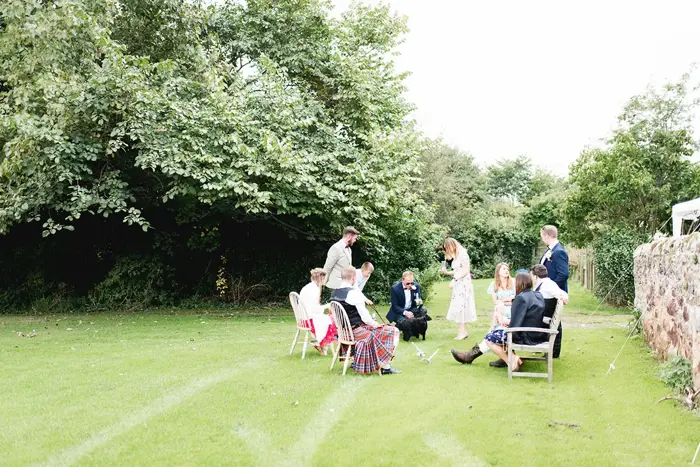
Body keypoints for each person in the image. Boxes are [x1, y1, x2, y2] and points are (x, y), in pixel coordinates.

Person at [451, 272, 547, 371]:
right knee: (497, 331)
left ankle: (512, 361)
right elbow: (526, 316)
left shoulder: (521, 298)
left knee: (490, 338)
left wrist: (504, 323)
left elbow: (515, 325)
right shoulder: (538, 295)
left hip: (525, 336)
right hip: (537, 334)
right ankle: (470, 356)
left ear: (519, 283)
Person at [331, 266, 401, 375]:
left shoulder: (334, 293)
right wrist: (376, 324)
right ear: (354, 278)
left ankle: (360, 361)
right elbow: (365, 318)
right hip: (356, 332)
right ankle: (385, 366)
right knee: (393, 331)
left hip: (342, 333)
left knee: (376, 329)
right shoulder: (353, 293)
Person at [441, 237, 477, 340]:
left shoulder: (462, 253)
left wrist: (454, 281)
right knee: (459, 307)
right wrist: (447, 272)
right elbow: (458, 269)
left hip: (463, 284)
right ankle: (462, 331)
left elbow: (465, 270)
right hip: (459, 283)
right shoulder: (457, 254)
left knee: (461, 307)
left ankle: (462, 332)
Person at [530, 264, 567, 358]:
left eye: (531, 276)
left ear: (536, 276)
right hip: (542, 317)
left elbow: (561, 293)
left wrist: (564, 297)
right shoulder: (543, 284)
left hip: (544, 321)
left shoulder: (547, 285)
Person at [299, 268, 338, 356]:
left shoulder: (309, 287)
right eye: (325, 278)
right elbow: (315, 309)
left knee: (328, 318)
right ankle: (320, 344)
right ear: (321, 278)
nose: (326, 280)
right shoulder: (314, 290)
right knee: (332, 320)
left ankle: (321, 344)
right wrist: (327, 306)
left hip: (303, 318)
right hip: (309, 319)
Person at [386, 271, 431, 340]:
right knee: (404, 323)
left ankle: (418, 329)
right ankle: (399, 327)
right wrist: (406, 313)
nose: (410, 284)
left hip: (411, 308)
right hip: (399, 311)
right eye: (408, 283)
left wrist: (419, 302)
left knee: (423, 310)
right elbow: (395, 306)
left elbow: (418, 302)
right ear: (402, 280)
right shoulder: (395, 288)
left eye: (411, 282)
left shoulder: (416, 286)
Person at [323, 227, 360, 292]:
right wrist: (322, 283)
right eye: (355, 238)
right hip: (334, 286)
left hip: (344, 286)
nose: (355, 240)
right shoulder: (336, 248)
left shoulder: (349, 249)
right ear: (349, 236)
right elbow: (327, 267)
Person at [539, 225, 569, 292]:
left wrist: (551, 289)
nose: (542, 239)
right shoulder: (550, 250)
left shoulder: (559, 251)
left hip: (554, 294)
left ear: (547, 236)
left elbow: (563, 274)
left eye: (542, 237)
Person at [487, 263, 516, 331]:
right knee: (498, 309)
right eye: (504, 269)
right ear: (498, 272)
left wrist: (505, 302)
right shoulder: (494, 284)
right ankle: (497, 331)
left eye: (507, 269)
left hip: (512, 307)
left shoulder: (513, 282)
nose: (506, 271)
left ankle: (492, 331)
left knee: (497, 311)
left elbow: (516, 300)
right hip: (501, 307)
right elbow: (495, 301)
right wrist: (505, 302)